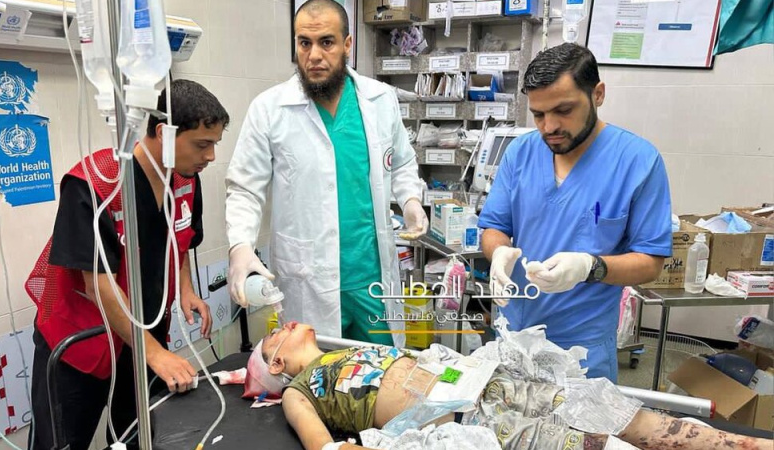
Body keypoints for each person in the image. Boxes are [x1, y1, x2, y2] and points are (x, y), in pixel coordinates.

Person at [24, 79, 229, 449]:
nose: (211, 156)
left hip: (142, 338)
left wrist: (185, 289)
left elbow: (180, 239)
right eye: (202, 144)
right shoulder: (95, 185)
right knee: (60, 443)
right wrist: (156, 354)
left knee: (138, 437)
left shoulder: (184, 179)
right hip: (82, 344)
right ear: (164, 133)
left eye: (215, 144)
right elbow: (97, 285)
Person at [225, 0, 426, 346]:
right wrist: (240, 246)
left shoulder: (380, 99)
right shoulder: (269, 109)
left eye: (326, 42)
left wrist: (409, 200)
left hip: (372, 279)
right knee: (316, 371)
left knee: (380, 370)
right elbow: (245, 188)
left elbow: (402, 162)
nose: (314, 55)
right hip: (308, 280)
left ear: (347, 45)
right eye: (304, 43)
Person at [253, 322, 771, 450]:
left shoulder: (350, 348)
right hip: (473, 421)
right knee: (591, 444)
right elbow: (323, 445)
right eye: (276, 332)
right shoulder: (300, 388)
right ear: (276, 360)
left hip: (491, 383)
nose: (286, 322)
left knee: (629, 417)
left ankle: (746, 445)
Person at [478, 43, 672, 382]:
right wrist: (498, 254)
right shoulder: (521, 153)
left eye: (564, 110)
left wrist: (589, 267)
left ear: (598, 94)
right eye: (539, 115)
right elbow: (495, 227)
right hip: (514, 336)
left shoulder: (638, 161)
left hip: (582, 352)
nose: (549, 126)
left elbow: (650, 262)